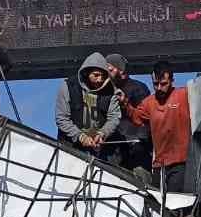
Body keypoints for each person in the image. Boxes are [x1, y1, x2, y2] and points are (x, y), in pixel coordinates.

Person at [128, 61, 193, 194]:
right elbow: (136, 117)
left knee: (174, 200)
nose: (159, 88)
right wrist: (125, 103)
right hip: (159, 164)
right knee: (155, 200)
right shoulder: (149, 102)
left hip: (180, 162)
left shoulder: (184, 94)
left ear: (172, 81)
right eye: (155, 84)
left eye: (163, 84)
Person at [54, 53, 122, 155]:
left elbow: (114, 117)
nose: (100, 79)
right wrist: (80, 136)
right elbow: (62, 118)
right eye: (96, 75)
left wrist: (103, 133)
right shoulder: (68, 86)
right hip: (70, 148)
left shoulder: (111, 91)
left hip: (101, 151)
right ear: (86, 73)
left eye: (103, 76)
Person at [103, 54, 151, 176]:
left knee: (140, 180)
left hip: (136, 150)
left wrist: (125, 103)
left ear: (121, 71)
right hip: (113, 150)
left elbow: (144, 118)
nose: (106, 72)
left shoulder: (138, 89)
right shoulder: (105, 91)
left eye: (110, 69)